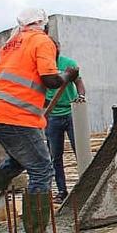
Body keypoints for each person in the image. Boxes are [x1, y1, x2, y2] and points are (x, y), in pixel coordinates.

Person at [0, 8, 79, 233]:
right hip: (16, 117)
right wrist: (67, 76)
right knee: (42, 169)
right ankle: (36, 231)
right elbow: (50, 79)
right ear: (43, 24)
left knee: (15, 163)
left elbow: (23, 82)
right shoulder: (42, 41)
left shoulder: (12, 43)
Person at [45, 39, 86, 203]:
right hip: (52, 115)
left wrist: (81, 96)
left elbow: (79, 82)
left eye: (56, 47)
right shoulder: (43, 66)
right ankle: (62, 192)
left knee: (81, 152)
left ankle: (85, 189)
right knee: (55, 156)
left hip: (70, 111)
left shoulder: (68, 63)